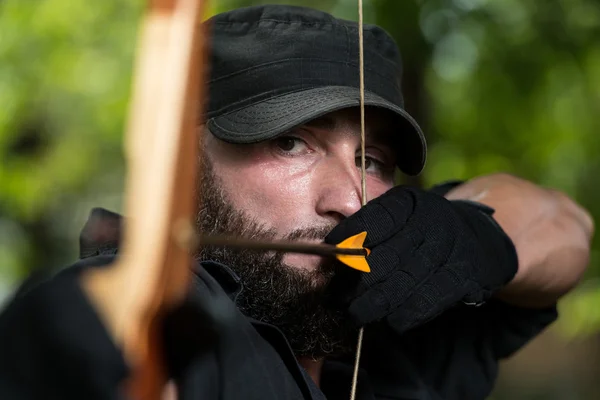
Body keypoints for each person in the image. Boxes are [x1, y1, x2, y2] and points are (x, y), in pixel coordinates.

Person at [0, 4, 593, 400]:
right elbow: (87, 338)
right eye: (291, 143)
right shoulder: (182, 329)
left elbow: (565, 225)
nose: (348, 199)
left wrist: (472, 234)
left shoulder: (398, 330)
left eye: (370, 160)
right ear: (182, 167)